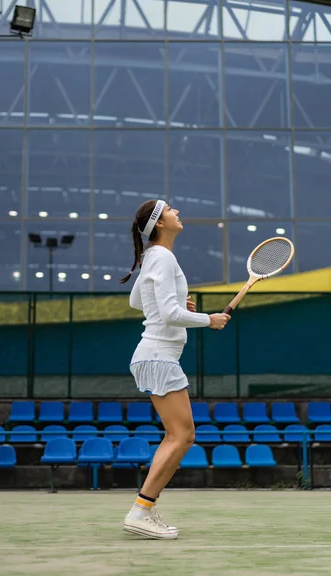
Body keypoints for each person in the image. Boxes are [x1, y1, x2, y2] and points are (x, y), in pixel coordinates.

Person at [120, 199, 230, 540]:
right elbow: (167, 315)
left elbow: (137, 301)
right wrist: (207, 319)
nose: (177, 212)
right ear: (161, 223)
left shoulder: (152, 256)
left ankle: (144, 508)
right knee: (182, 436)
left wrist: (177, 303)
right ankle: (141, 510)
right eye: (170, 210)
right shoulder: (163, 257)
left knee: (177, 436)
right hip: (159, 355)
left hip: (153, 354)